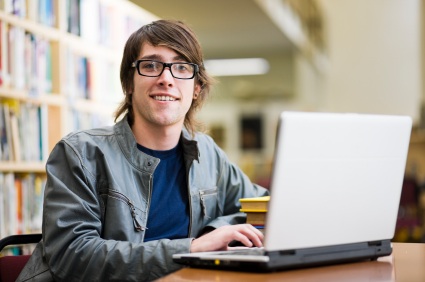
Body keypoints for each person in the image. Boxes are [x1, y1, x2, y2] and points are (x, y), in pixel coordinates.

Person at [17, 19, 269, 281]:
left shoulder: (208, 153)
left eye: (181, 67)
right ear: (128, 83)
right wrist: (191, 249)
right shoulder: (80, 153)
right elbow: (73, 255)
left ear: (196, 88)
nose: (166, 79)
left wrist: (213, 233)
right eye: (151, 65)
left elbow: (261, 207)